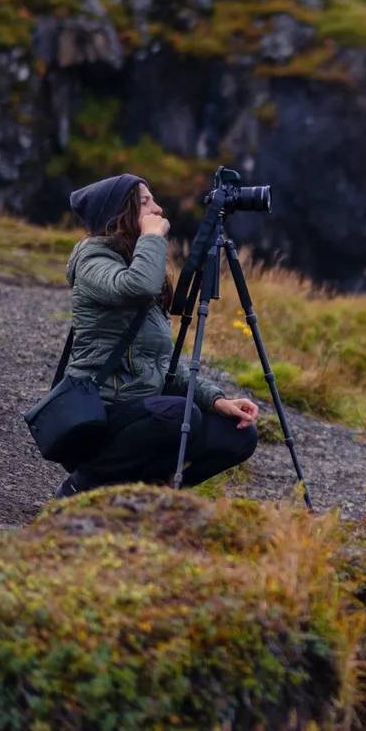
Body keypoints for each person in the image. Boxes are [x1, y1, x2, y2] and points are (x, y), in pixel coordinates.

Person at [53, 174, 259, 498]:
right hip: (100, 416)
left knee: (239, 435)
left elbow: (162, 369)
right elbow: (138, 286)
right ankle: (84, 485)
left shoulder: (137, 261)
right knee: (180, 414)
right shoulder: (92, 259)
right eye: (146, 202)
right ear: (120, 214)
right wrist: (152, 238)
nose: (158, 209)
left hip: (143, 412)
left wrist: (216, 400)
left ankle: (149, 494)